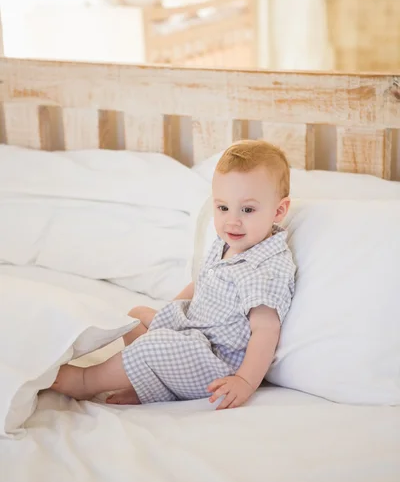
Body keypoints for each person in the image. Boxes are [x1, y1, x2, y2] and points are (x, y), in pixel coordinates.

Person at [51, 140, 296, 410]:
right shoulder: (229, 241)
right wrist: (166, 314)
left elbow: (266, 329)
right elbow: (199, 283)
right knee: (137, 316)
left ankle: (87, 380)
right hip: (191, 334)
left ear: (279, 211)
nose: (232, 221)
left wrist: (244, 381)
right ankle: (148, 386)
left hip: (214, 363)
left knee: (154, 345)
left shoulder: (266, 267)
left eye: (247, 210)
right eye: (223, 208)